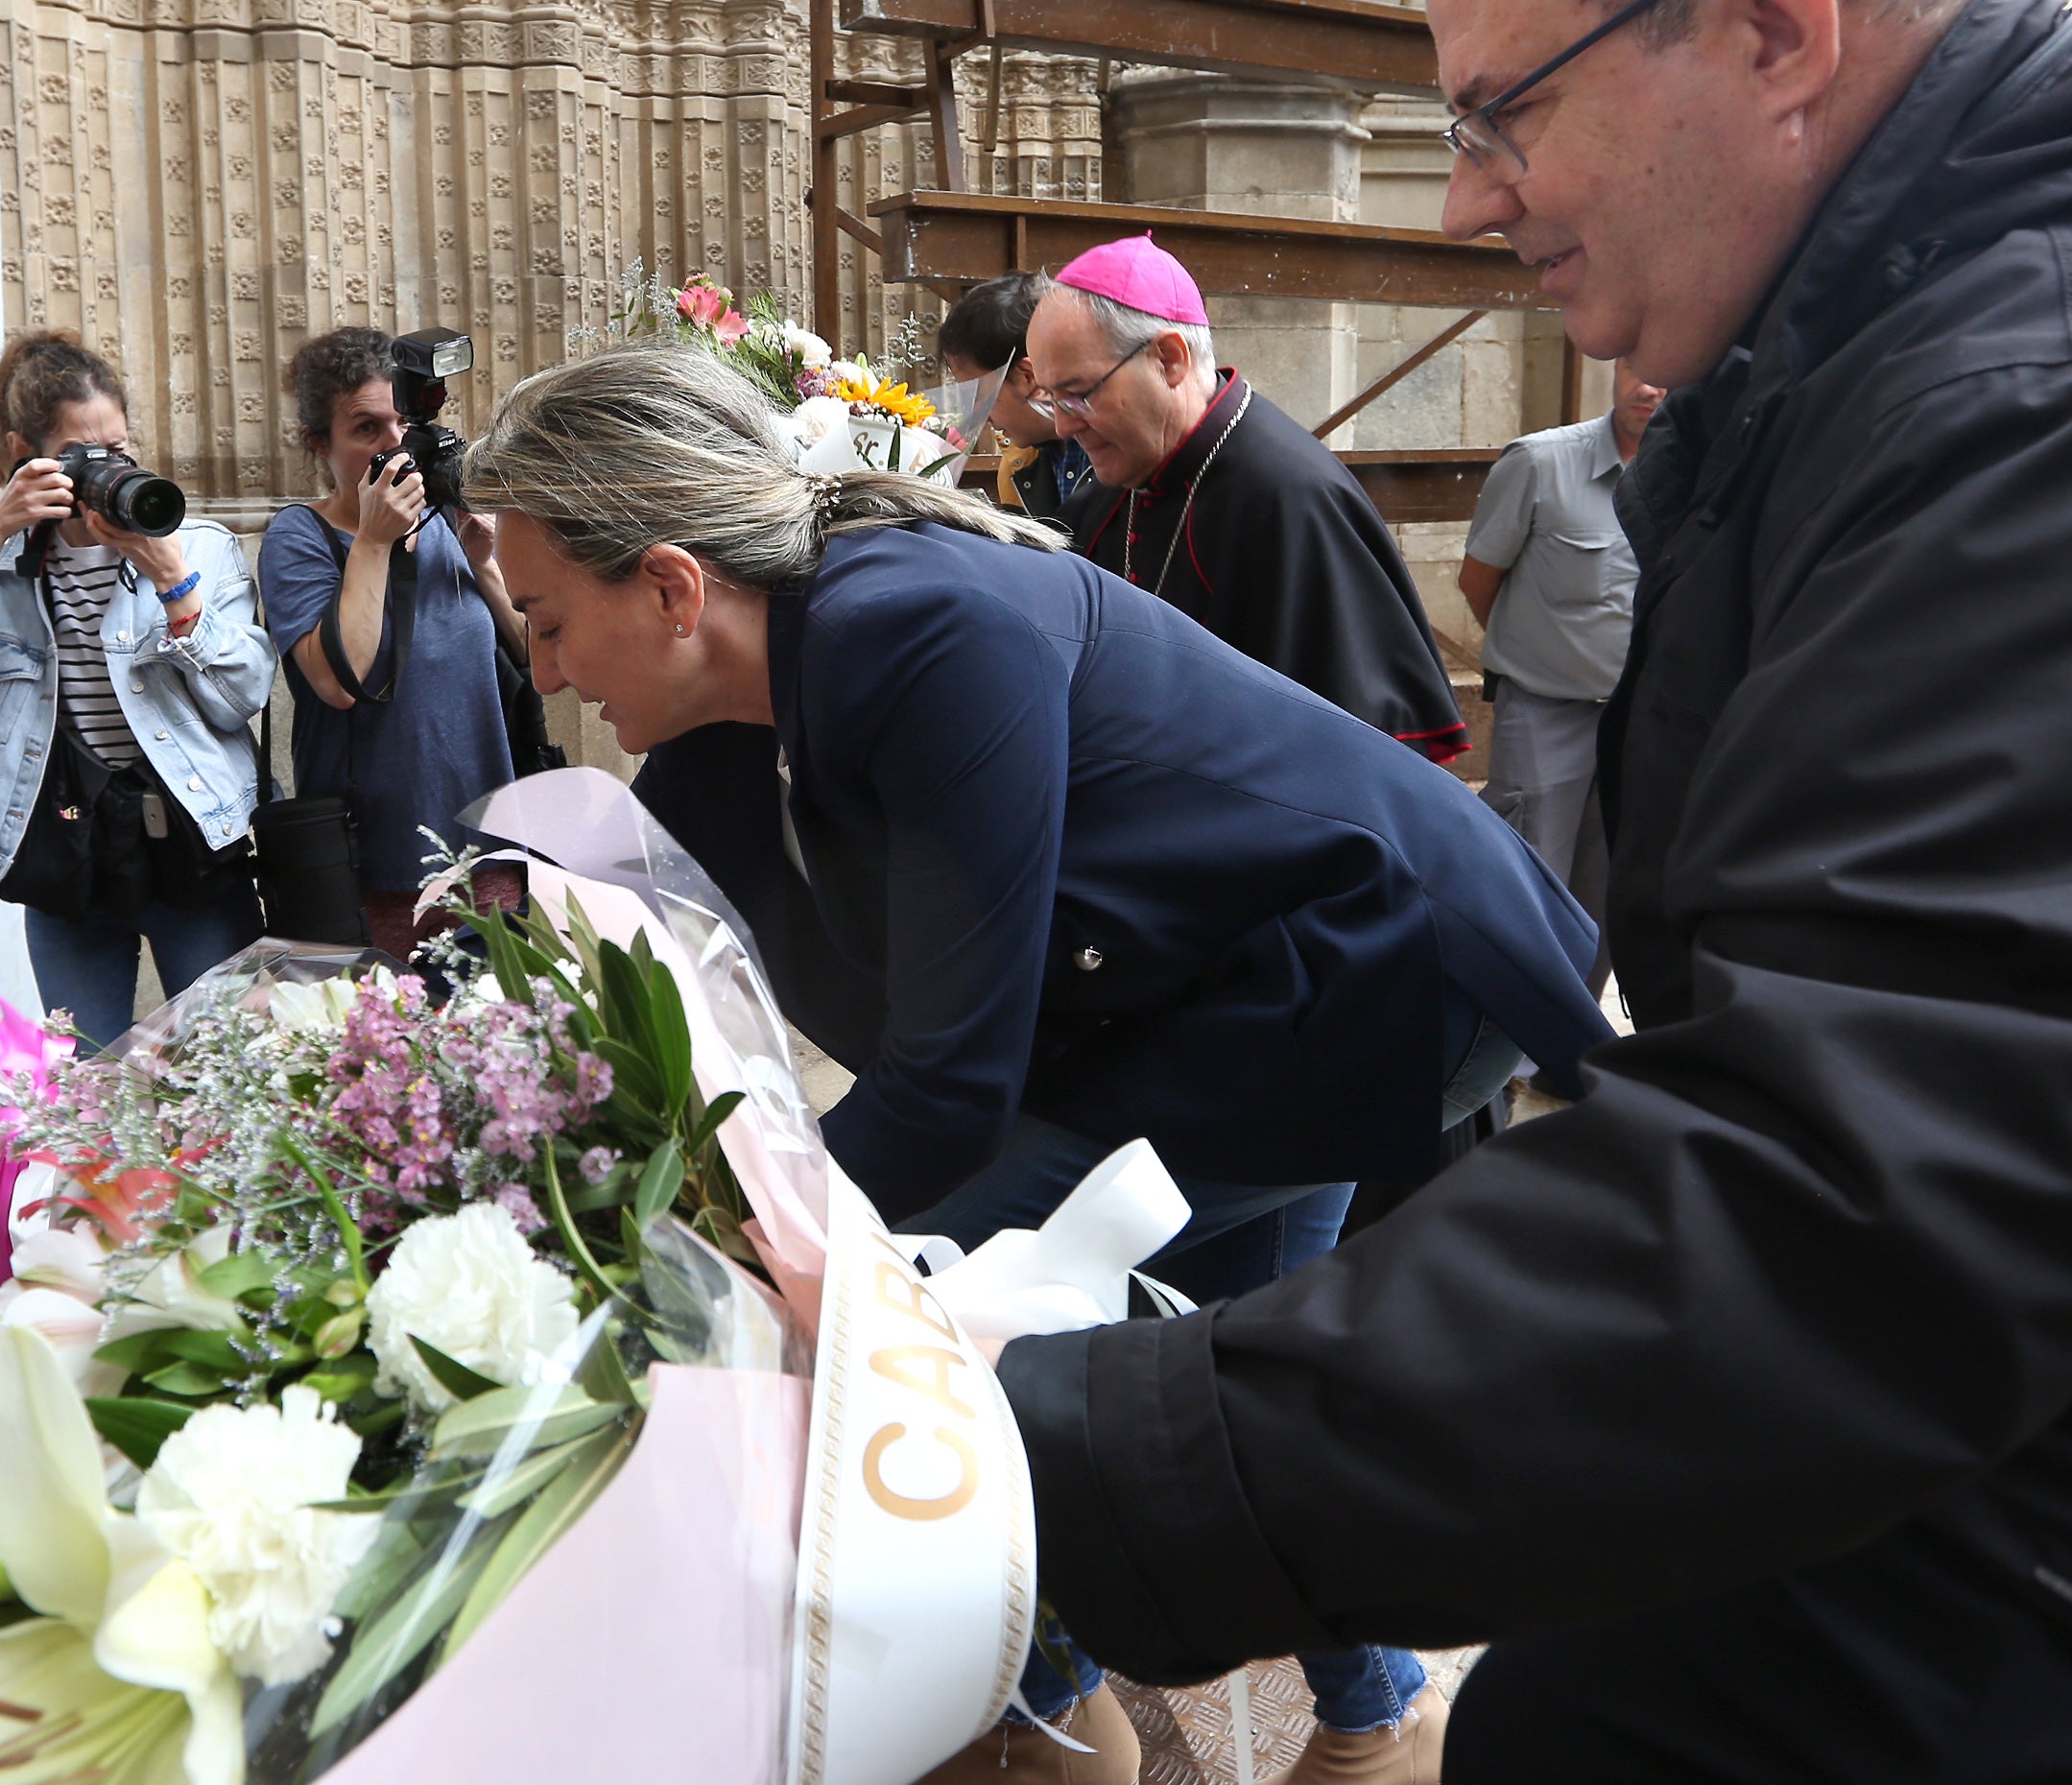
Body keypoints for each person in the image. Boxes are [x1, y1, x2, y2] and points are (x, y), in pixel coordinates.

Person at [989, 0, 2072, 1785]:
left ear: (1771, 22)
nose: (1463, 197)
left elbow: (1851, 1207)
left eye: (1503, 113)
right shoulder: (1936, 347)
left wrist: (1046, 1464)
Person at [463, 345, 1611, 1785]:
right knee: (1220, 1351)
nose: (548, 671)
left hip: (1378, 971)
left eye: (552, 622)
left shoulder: (912, 625)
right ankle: (1367, 1709)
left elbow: (949, 1080)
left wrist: (716, 1247)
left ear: (676, 586)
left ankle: (1033, 1714)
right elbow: (722, 1002)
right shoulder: (718, 728)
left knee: (963, 1335)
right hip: (1224, 991)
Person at [0, 334, 269, 1050]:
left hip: (192, 848)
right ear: (27, 454)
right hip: (71, 857)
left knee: (228, 1074)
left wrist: (172, 582)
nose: (108, 472)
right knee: (89, 1090)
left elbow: (243, 696)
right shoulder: (6, 575)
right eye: (83, 456)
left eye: (120, 448)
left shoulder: (198, 547)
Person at [1029, 239, 1468, 763]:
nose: (1062, 424)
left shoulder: (1289, 498)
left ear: (1169, 358)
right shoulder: (1107, 494)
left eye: (1079, 393)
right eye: (1050, 398)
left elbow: (1363, 753)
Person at [260, 327, 527, 954]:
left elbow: (543, 662)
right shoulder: (299, 538)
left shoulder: (450, 521)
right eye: (366, 429)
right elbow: (339, 682)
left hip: (488, 857)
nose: (394, 446)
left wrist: (486, 563)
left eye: (402, 423)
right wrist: (376, 542)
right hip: (375, 871)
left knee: (494, 1042)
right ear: (319, 444)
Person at [1453, 375, 1666, 903]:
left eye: (1664, 374)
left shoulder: (1699, 474)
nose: (1648, 387)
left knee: (1612, 891)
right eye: (1632, 367)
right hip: (1544, 715)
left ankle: (1579, 993)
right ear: (1613, 368)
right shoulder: (1539, 463)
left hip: (1640, 719)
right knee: (1526, 884)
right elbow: (1479, 580)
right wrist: (1539, 653)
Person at [937, 270, 1093, 527]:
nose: (980, 416)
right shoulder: (1017, 467)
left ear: (1028, 376)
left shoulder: (1115, 450)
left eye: (979, 396)